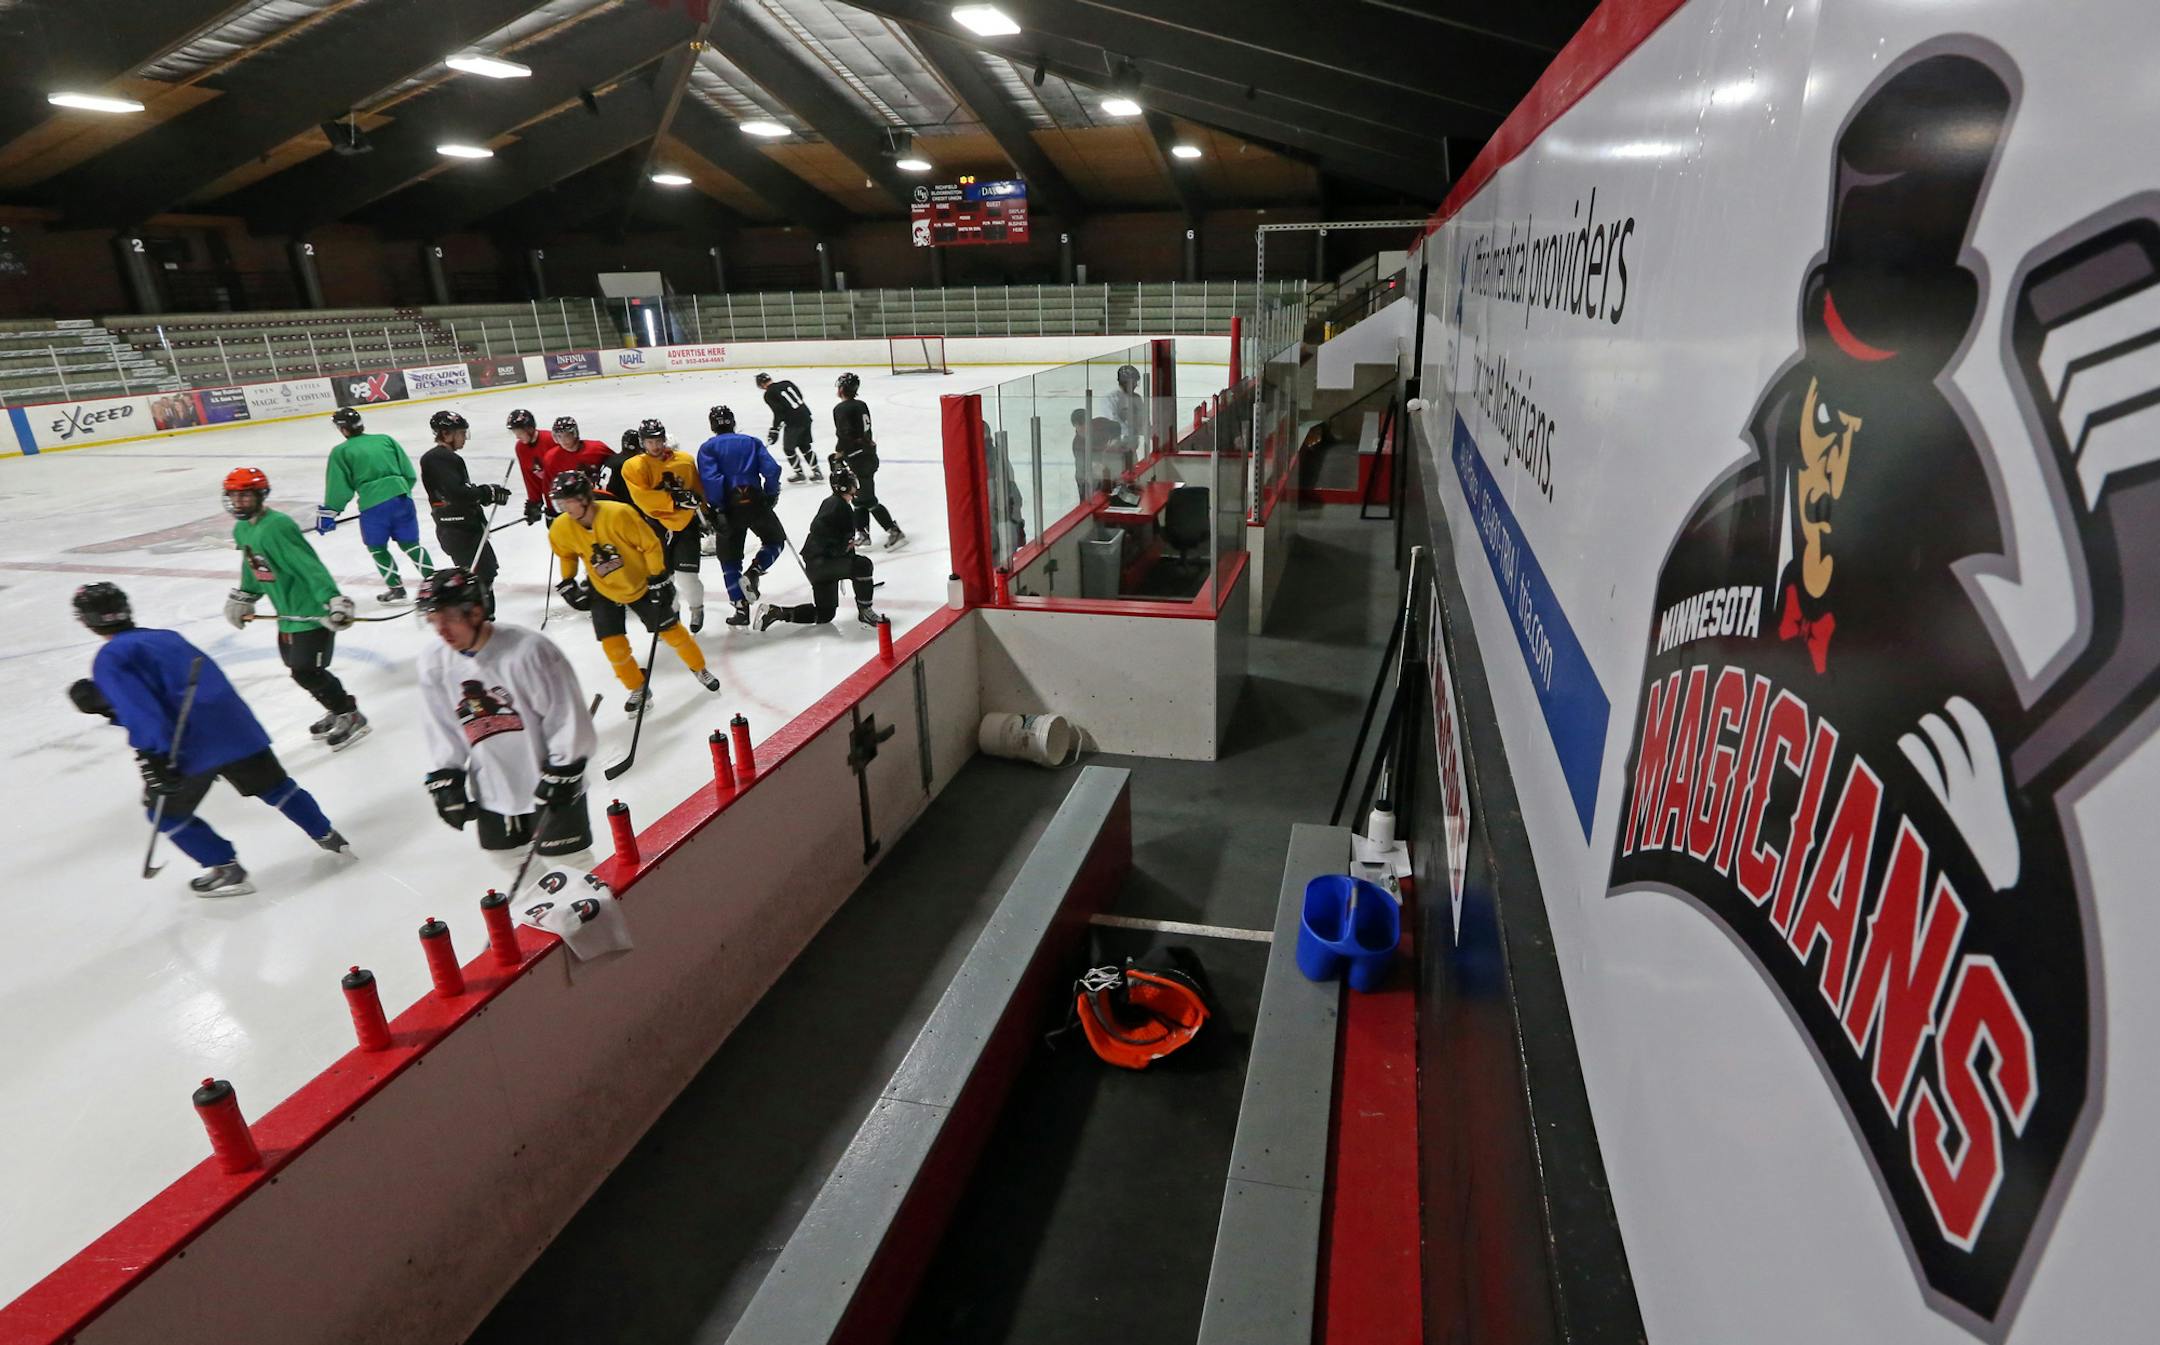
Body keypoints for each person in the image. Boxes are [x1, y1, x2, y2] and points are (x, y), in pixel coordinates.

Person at [71, 582, 349, 897]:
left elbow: (141, 710)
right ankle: (327, 835)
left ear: (87, 620)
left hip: (185, 745)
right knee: (277, 788)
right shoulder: (167, 637)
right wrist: (108, 703)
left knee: (165, 813)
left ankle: (225, 868)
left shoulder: (110, 657)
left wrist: (154, 755)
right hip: (235, 728)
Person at [414, 568, 597, 857]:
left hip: (549, 784)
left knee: (572, 871)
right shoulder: (434, 662)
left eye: (449, 618)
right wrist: (446, 776)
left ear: (475, 613)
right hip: (494, 790)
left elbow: (566, 718)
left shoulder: (529, 651)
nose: (442, 631)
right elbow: (443, 726)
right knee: (508, 863)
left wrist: (565, 770)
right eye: (434, 621)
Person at [546, 468, 720, 712]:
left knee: (673, 633)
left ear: (585, 498)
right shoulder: (561, 528)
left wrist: (659, 578)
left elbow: (649, 545)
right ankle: (638, 687)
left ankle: (700, 669)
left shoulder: (619, 514)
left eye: (568, 502)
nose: (564, 508)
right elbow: (566, 553)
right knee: (613, 647)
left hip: (640, 584)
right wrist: (568, 581)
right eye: (560, 503)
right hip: (603, 590)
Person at [222, 466, 369, 748]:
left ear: (260, 495)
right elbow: (253, 565)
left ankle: (349, 714)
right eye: (233, 497)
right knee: (299, 669)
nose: (239, 502)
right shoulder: (242, 529)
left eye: (245, 496)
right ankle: (336, 707)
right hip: (287, 616)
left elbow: (308, 565)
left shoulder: (277, 526)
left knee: (306, 670)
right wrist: (245, 596)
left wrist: (331, 599)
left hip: (313, 612)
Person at [757, 454, 884, 633]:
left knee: (825, 614)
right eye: (852, 481)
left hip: (819, 565)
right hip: (822, 564)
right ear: (846, 486)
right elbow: (818, 528)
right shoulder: (838, 506)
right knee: (863, 565)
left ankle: (777, 612)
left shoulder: (837, 503)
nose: (856, 484)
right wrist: (839, 549)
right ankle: (866, 611)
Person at [318, 406, 433, 602]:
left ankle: (396, 588)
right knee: (411, 545)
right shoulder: (385, 439)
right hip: (402, 498)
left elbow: (339, 488)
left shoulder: (341, 451)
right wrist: (397, 491)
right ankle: (433, 582)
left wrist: (329, 513)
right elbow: (409, 473)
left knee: (377, 547)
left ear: (343, 429)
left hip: (374, 507)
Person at [695, 403, 788, 627]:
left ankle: (740, 609)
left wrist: (717, 509)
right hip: (756, 503)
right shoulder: (751, 442)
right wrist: (770, 493)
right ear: (733, 422)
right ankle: (755, 571)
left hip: (728, 508)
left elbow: (712, 480)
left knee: (729, 560)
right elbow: (773, 470)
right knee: (775, 541)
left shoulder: (708, 449)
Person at [620, 417, 710, 632]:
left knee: (688, 578)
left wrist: (707, 514)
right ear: (642, 443)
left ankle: (697, 608)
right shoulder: (633, 466)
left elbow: (698, 490)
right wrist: (675, 500)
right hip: (654, 529)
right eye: (650, 442)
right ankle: (673, 616)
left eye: (658, 440)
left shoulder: (685, 461)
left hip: (686, 525)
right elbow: (642, 498)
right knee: (664, 580)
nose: (655, 446)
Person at [419, 410, 511, 616]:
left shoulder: (444, 457)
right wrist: (486, 493)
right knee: (479, 578)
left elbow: (460, 492)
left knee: (484, 574)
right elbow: (456, 493)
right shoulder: (438, 458)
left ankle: (484, 621)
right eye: (460, 433)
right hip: (459, 530)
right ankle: (482, 622)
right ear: (445, 433)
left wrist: (486, 493)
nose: (464, 438)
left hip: (462, 527)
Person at [833, 372, 906, 550]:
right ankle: (863, 533)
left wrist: (839, 453)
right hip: (868, 455)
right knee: (858, 497)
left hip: (859, 459)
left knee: (867, 498)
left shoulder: (841, 409)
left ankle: (893, 530)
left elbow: (845, 434)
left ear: (842, 389)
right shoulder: (860, 404)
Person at [756, 372, 822, 482]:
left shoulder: (769, 394)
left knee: (789, 449)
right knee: (804, 445)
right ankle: (816, 471)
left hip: (794, 422)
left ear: (761, 385)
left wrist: (774, 429)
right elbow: (799, 397)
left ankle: (799, 473)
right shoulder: (787, 383)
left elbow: (778, 413)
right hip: (806, 416)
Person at [508, 408, 560, 525]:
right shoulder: (520, 448)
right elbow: (530, 476)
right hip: (551, 501)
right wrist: (534, 502)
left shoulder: (551, 439)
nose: (517, 436)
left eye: (519, 432)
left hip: (570, 496)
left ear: (530, 428)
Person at [544, 416, 613, 487]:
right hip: (570, 496)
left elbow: (616, 465)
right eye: (559, 436)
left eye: (566, 435)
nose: (563, 440)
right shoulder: (551, 457)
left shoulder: (598, 449)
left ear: (575, 434)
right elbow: (549, 485)